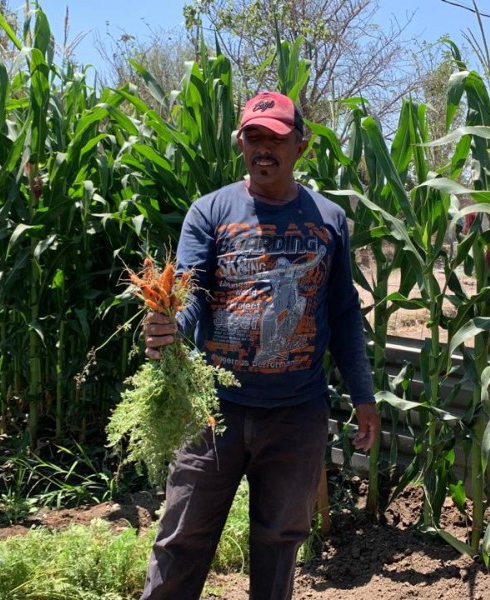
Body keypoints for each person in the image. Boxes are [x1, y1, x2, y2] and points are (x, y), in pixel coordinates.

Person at [140, 91, 380, 600]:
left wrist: (363, 395)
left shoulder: (329, 219)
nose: (264, 148)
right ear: (241, 143)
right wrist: (170, 326)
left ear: (301, 145)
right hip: (212, 413)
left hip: (296, 415)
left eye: (275, 138)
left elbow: (342, 314)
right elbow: (189, 293)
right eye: (254, 137)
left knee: (279, 541)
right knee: (182, 539)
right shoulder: (210, 211)